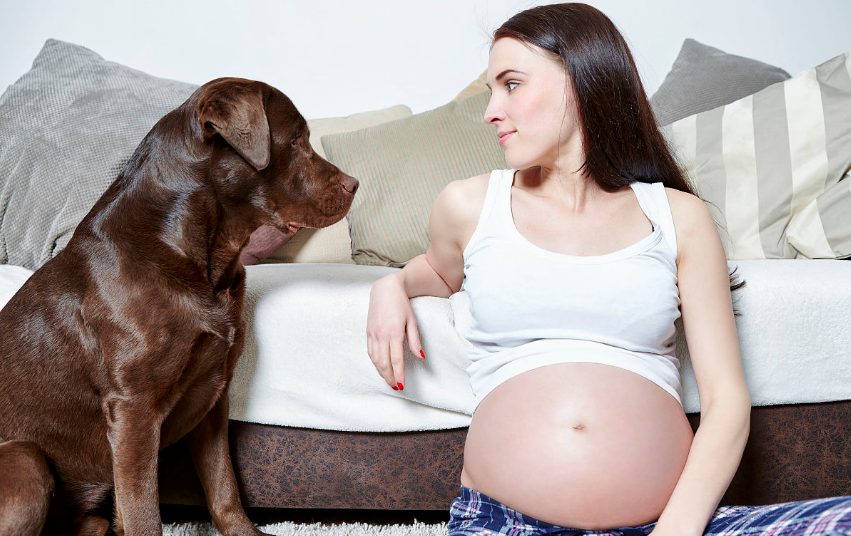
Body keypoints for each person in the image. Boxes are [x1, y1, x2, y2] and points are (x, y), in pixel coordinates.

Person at [366, 4, 851, 535]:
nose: (490, 112)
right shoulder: (468, 204)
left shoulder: (677, 217)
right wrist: (389, 285)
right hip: (507, 524)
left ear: (581, 78)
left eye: (510, 84)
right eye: (492, 91)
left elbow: (726, 400)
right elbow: (438, 272)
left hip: (671, 526)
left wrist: (677, 530)